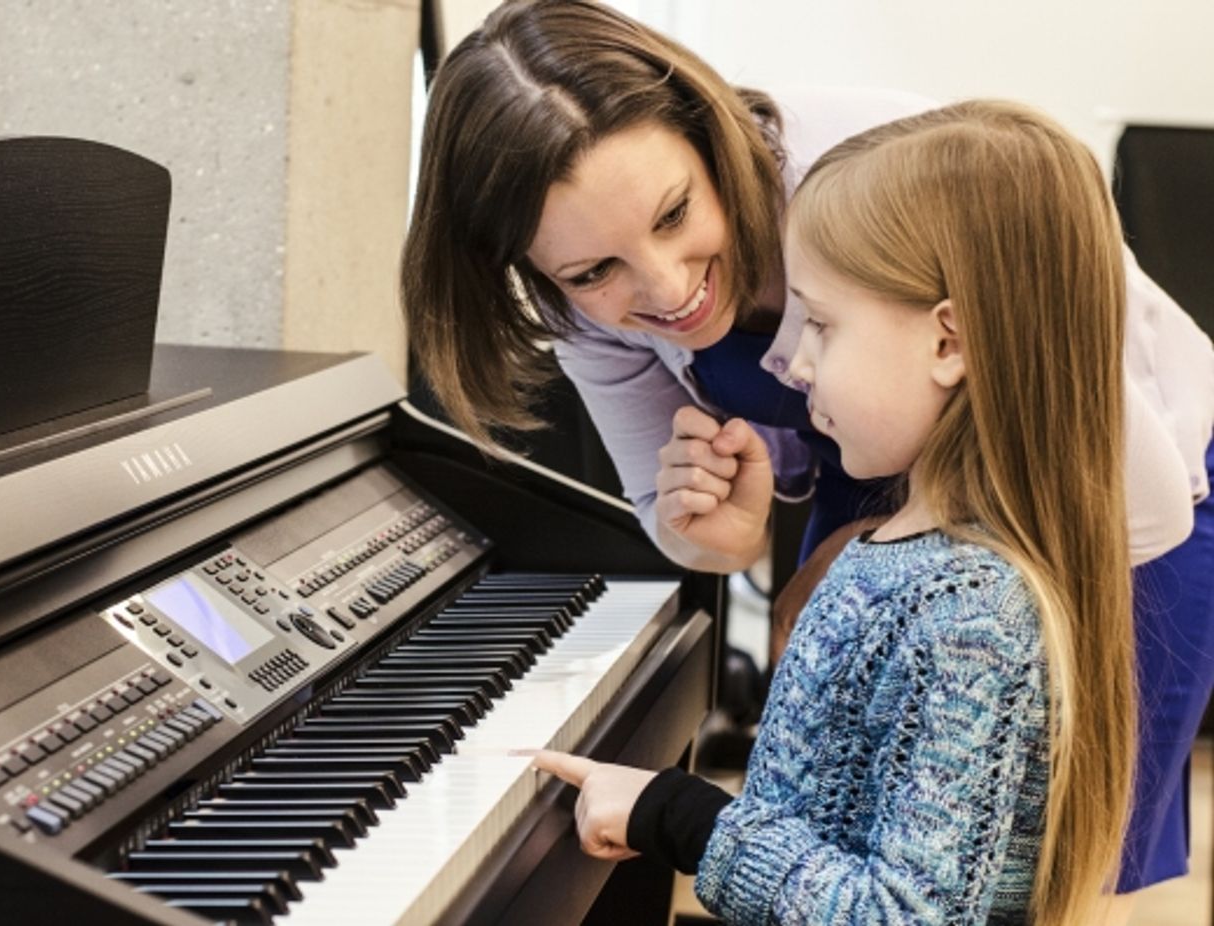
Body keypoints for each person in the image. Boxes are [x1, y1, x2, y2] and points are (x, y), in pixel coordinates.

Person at [401, 0, 1214, 911]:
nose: (666, 289)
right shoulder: (596, 316)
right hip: (894, 493)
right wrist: (733, 533)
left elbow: (1126, 496)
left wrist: (897, 567)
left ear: (710, 136)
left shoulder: (871, 172)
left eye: (674, 215)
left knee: (1074, 851)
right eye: (593, 273)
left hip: (1116, 497)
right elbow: (694, 533)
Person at [534, 98, 1137, 923]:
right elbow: (823, 831)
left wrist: (682, 818)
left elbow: (905, 914)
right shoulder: (904, 558)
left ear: (949, 342)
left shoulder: (970, 614)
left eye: (820, 323)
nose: (793, 364)